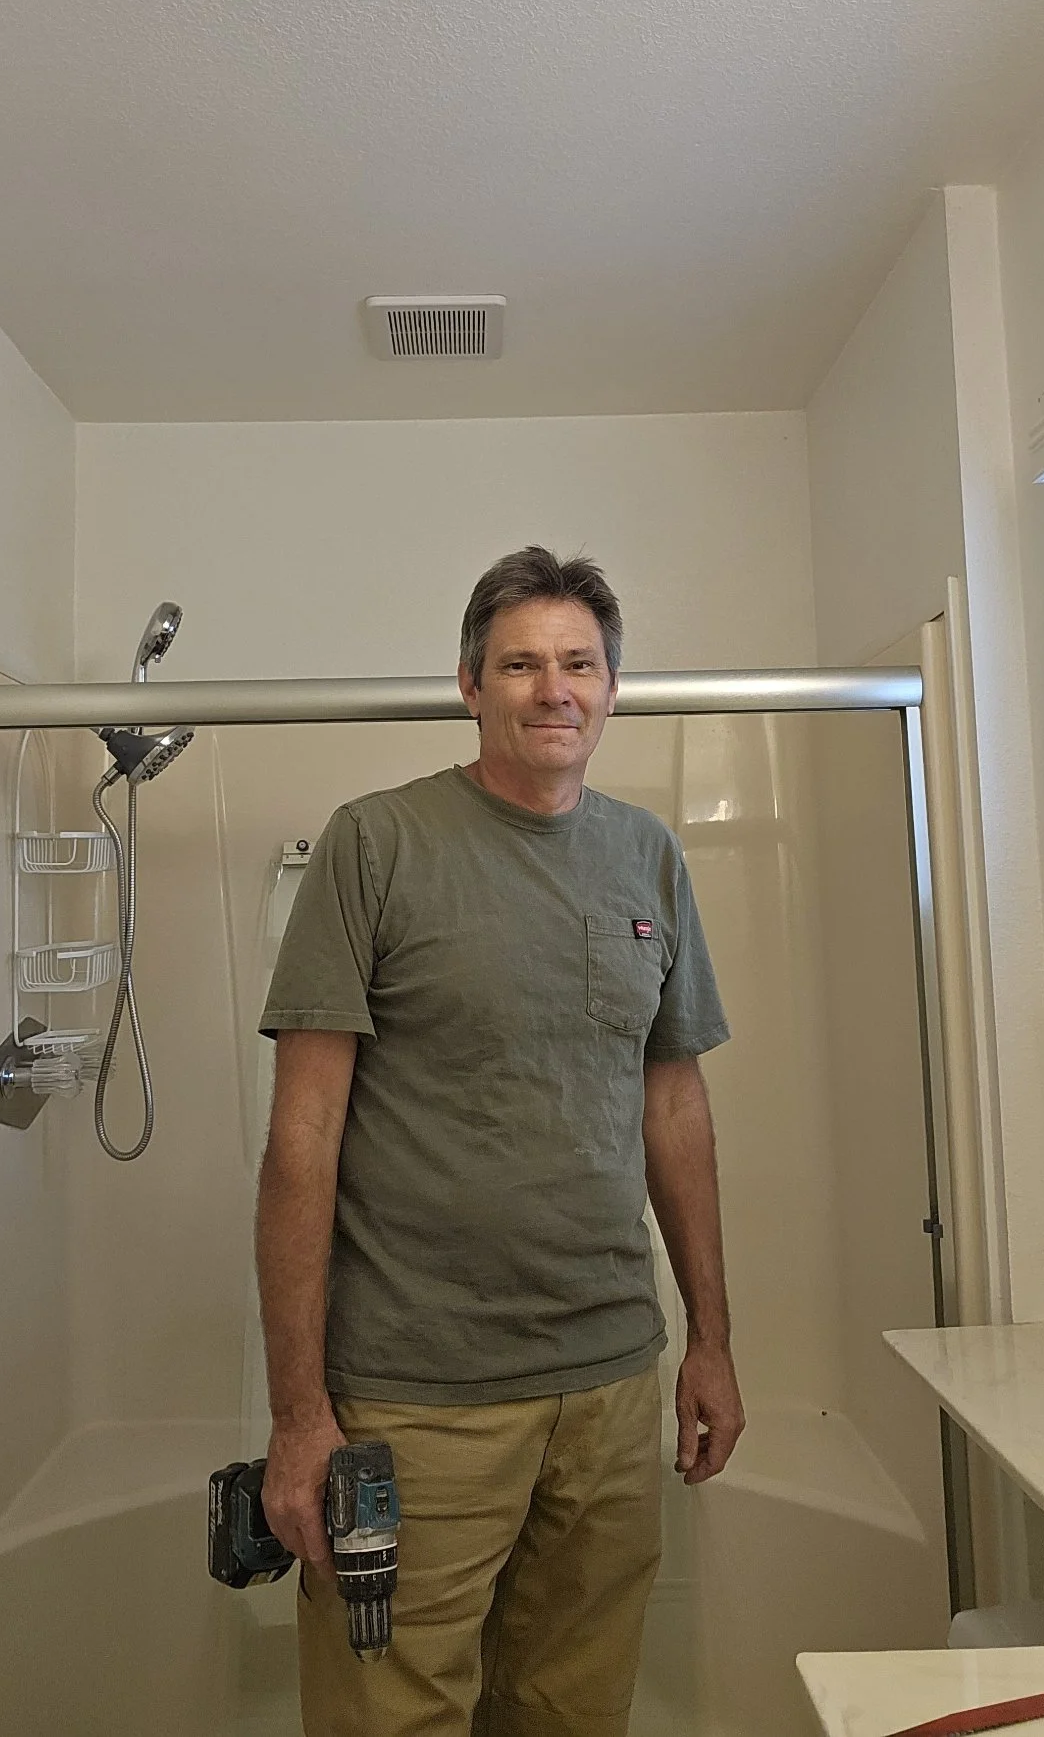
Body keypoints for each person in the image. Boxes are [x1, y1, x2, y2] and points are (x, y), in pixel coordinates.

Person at [256, 546, 744, 1737]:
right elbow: (300, 1142)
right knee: (393, 1717)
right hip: (419, 1401)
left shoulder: (648, 858)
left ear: (612, 690)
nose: (553, 688)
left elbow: (673, 1108)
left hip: (612, 1382)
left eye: (579, 663)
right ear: (471, 683)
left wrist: (711, 1341)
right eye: (520, 663)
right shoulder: (376, 844)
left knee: (573, 1710)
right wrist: (298, 1414)